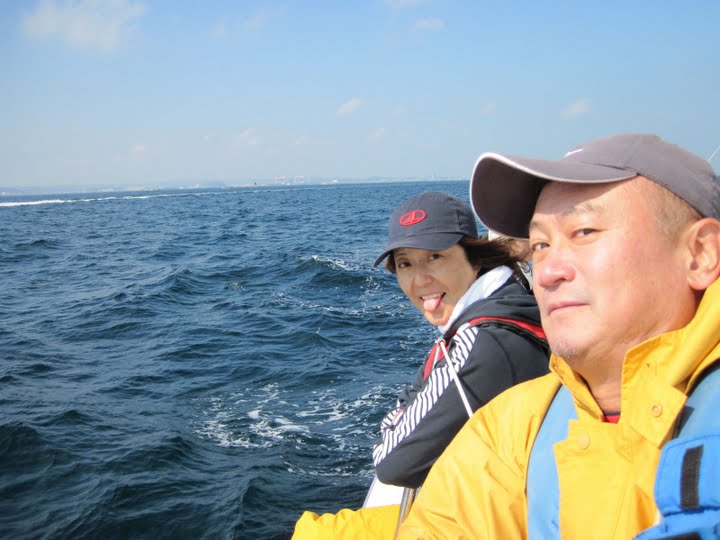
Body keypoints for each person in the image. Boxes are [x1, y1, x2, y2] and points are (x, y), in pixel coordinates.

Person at [397, 133, 720, 539]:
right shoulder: (514, 426)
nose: (547, 272)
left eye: (584, 231)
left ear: (700, 254)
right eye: (540, 245)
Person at [371, 191, 549, 489]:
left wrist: (397, 418)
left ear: (475, 260)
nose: (420, 280)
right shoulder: (509, 302)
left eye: (435, 257)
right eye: (405, 264)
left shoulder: (484, 342)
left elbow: (390, 463)